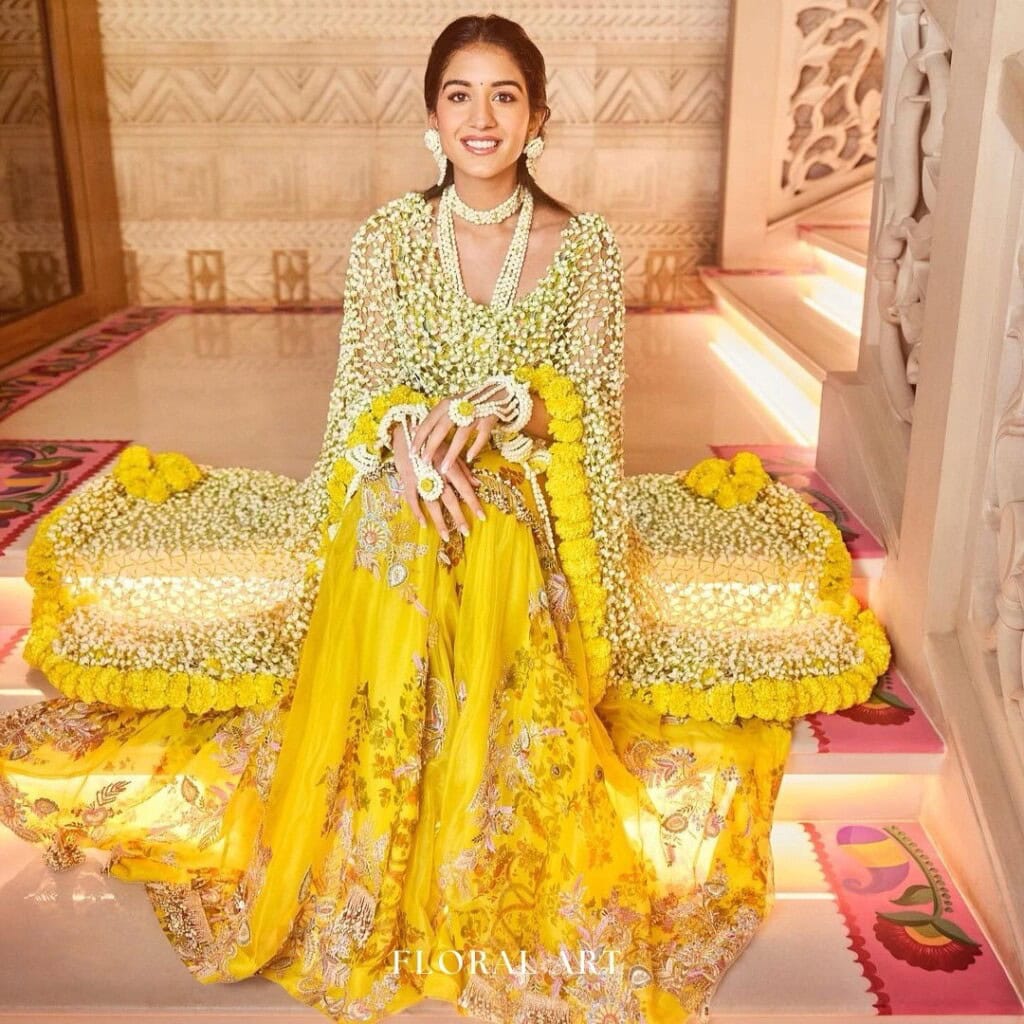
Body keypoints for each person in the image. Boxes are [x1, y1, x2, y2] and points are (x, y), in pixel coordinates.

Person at [0, 13, 891, 1024]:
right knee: (399, 518)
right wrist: (409, 441)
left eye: (503, 94)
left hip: (526, 486)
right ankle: (383, 819)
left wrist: (510, 408)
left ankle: (475, 820)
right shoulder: (387, 238)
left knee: (493, 532)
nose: (481, 115)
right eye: (460, 94)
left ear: (537, 116)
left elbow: (594, 406)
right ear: (431, 114)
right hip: (400, 470)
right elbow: (359, 396)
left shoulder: (584, 245)